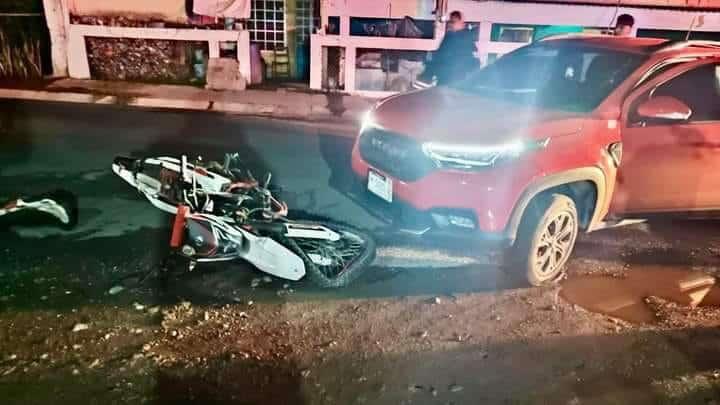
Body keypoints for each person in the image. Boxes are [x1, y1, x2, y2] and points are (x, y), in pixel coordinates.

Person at [419, 10, 478, 86]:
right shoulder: (467, 39)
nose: (450, 24)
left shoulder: (451, 38)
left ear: (460, 23)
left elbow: (440, 57)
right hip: (459, 81)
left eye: (453, 22)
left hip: (447, 80)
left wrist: (427, 75)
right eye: (451, 21)